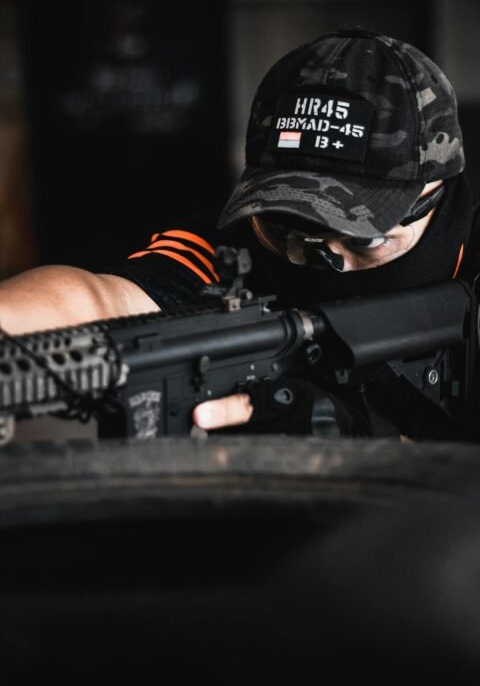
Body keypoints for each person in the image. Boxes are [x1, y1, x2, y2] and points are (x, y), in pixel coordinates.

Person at [0, 25, 478, 440]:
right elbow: (99, 301)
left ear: (435, 198)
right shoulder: (236, 243)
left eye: (365, 238)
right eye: (289, 230)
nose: (325, 261)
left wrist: (370, 448)